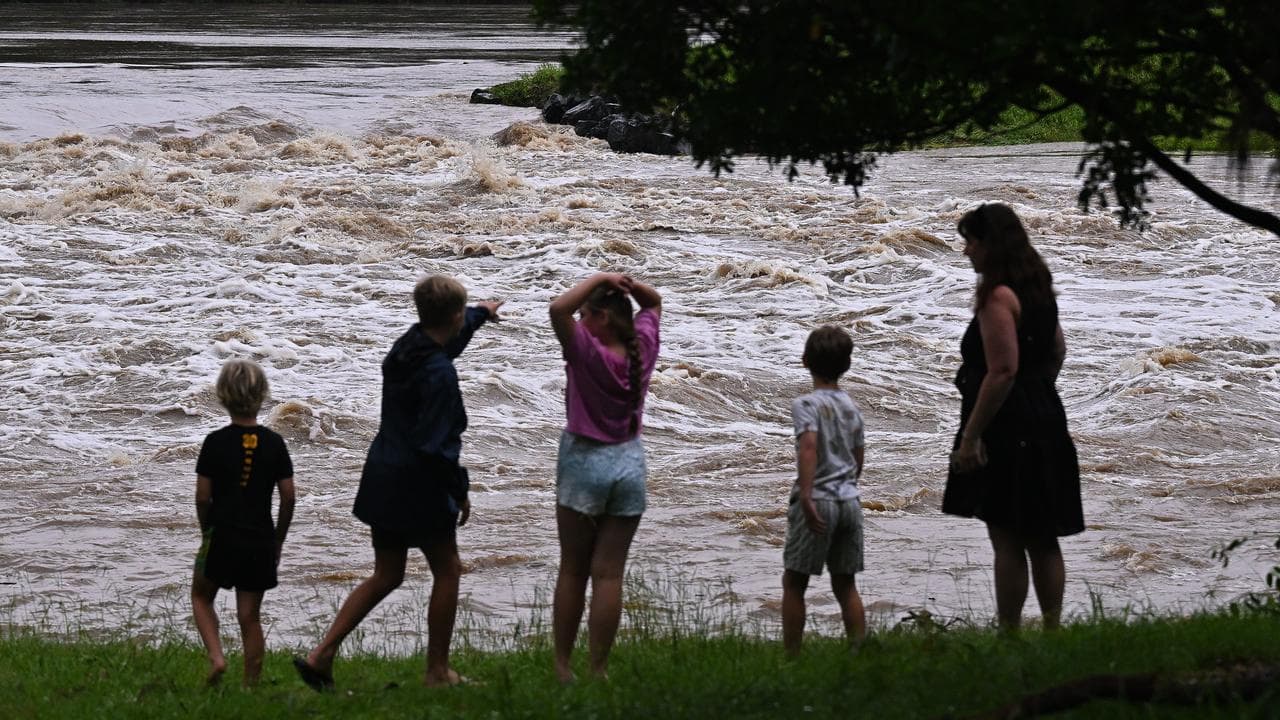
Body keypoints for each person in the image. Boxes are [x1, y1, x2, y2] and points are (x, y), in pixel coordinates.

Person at [294, 275, 502, 690]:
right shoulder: (440, 374)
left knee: (386, 573)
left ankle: (321, 655)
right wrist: (459, 489)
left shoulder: (405, 348)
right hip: (419, 486)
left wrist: (479, 314)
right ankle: (437, 673)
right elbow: (436, 446)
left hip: (384, 475)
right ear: (454, 315)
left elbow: (444, 344)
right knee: (448, 570)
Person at [942, 203, 1083, 631]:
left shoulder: (997, 297)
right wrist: (1040, 393)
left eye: (971, 241)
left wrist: (971, 437)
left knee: (1006, 537)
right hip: (1045, 417)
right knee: (1043, 537)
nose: (966, 251)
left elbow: (1002, 371)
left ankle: (1009, 632)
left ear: (990, 244)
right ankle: (1054, 630)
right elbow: (1058, 350)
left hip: (1007, 426)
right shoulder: (1039, 287)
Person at [548, 272, 661, 683]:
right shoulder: (642, 347)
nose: (579, 319)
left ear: (602, 317)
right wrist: (630, 286)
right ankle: (598, 669)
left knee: (573, 570)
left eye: (585, 314)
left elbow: (556, 308)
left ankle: (563, 666)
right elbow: (653, 304)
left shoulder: (586, 352)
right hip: (629, 464)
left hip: (583, 464)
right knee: (610, 573)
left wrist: (600, 276)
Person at [192, 358, 296, 687]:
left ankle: (217, 658)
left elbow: (202, 497)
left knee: (201, 596)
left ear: (222, 395)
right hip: (261, 540)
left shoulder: (214, 442)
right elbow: (289, 496)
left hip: (222, 535)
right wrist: (278, 539)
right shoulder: (274, 443)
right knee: (249, 616)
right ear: (263, 395)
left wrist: (206, 531)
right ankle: (250, 686)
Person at [781, 325, 867, 656]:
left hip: (818, 500)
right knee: (846, 584)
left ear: (805, 360)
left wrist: (806, 493)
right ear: (846, 365)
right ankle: (858, 652)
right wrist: (849, 484)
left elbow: (808, 446)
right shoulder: (851, 406)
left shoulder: (806, 404)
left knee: (794, 582)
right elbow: (859, 455)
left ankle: (792, 658)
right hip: (849, 502)